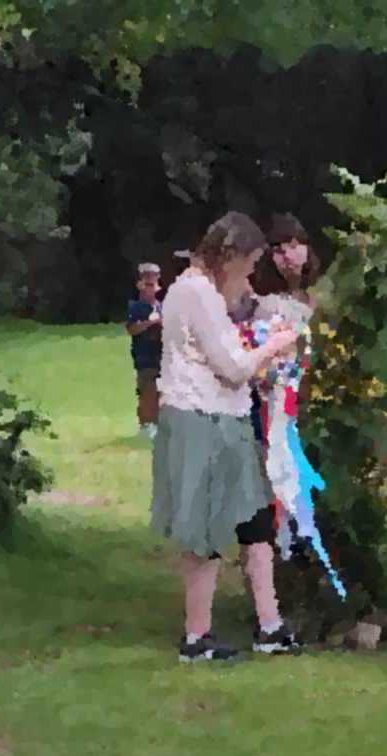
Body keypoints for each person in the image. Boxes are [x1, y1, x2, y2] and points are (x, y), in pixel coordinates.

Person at [151, 212, 303, 662]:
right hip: (204, 420)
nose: (251, 274)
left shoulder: (194, 290)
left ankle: (269, 626)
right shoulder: (197, 292)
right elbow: (234, 368)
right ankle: (196, 638)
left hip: (222, 420)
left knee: (255, 520)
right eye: (249, 264)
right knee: (205, 531)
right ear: (231, 255)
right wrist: (274, 346)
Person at [125, 263, 163, 438]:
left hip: (160, 354)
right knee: (146, 389)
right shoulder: (135, 307)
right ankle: (145, 424)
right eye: (147, 285)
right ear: (140, 284)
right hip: (143, 354)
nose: (151, 289)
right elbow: (132, 329)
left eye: (154, 285)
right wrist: (150, 323)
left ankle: (156, 422)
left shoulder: (160, 306)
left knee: (159, 390)